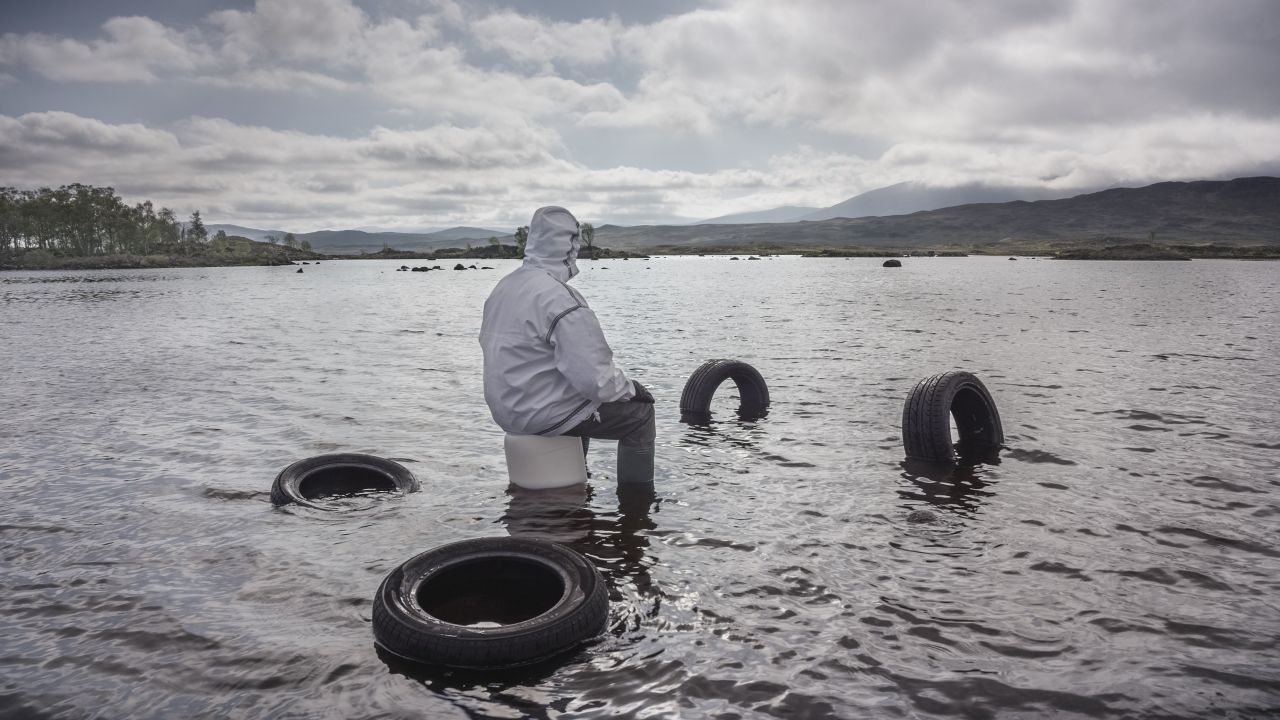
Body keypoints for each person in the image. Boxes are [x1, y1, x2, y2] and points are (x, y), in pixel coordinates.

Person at [479, 206, 655, 484]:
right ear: (569, 245)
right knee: (639, 415)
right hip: (539, 414)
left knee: (582, 404)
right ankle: (637, 504)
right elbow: (596, 379)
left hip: (506, 409)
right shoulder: (561, 299)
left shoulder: (504, 288)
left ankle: (577, 482)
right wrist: (632, 389)